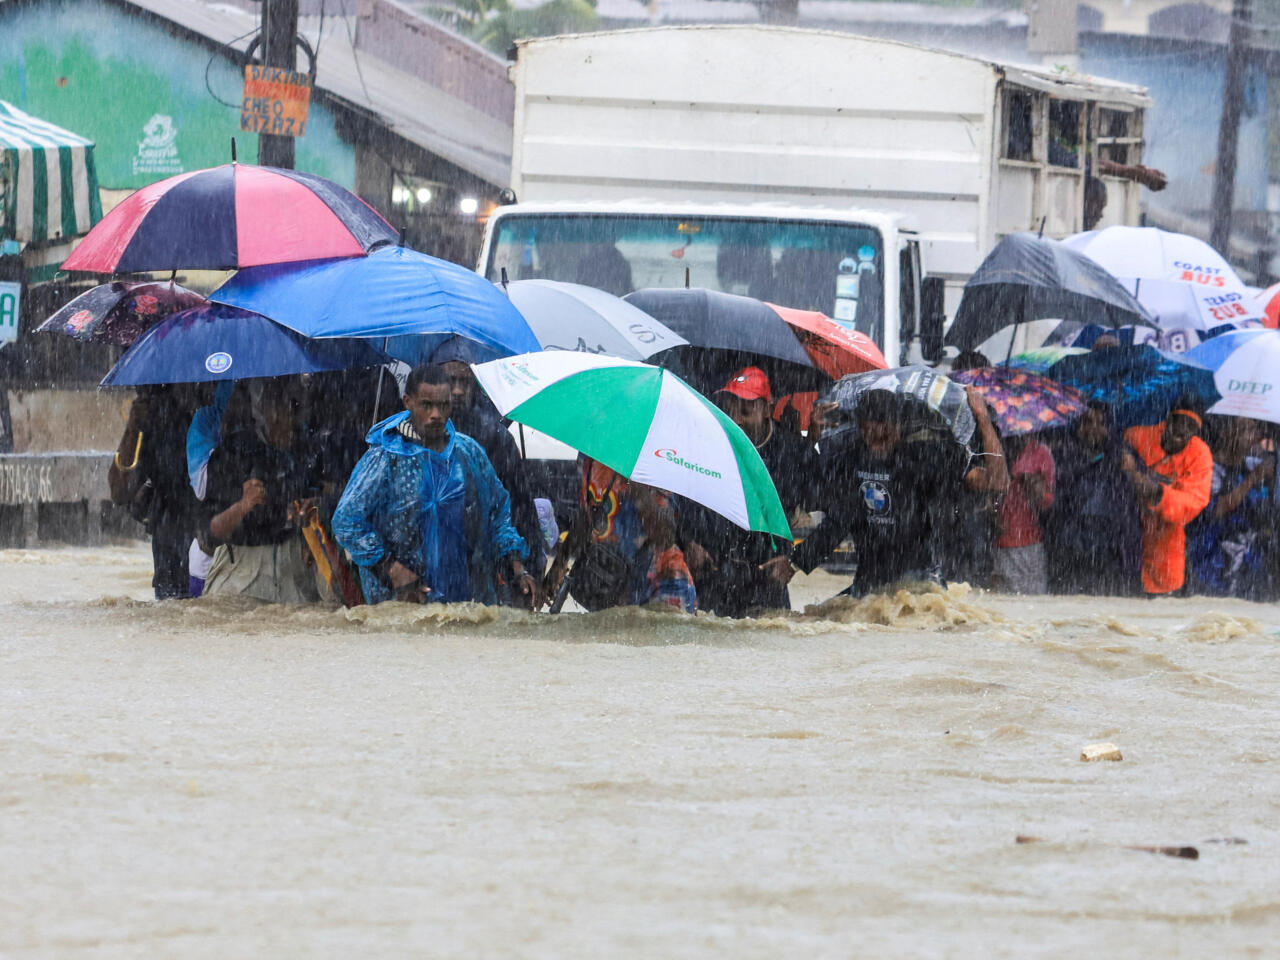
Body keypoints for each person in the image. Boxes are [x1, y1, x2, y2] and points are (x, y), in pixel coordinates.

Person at [763, 386, 1008, 597]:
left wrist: (983, 419)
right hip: (869, 582)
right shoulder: (850, 462)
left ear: (897, 426)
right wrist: (794, 562)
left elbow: (998, 482)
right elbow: (835, 521)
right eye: (867, 432)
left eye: (883, 432)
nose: (875, 440)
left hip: (920, 582)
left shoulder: (926, 459)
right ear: (859, 428)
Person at [332, 364, 535, 606]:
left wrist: (518, 568)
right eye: (427, 405)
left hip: (466, 600)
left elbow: (498, 513)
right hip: (398, 602)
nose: (436, 414)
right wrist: (393, 571)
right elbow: (346, 521)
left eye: (443, 405)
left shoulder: (468, 453)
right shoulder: (385, 459)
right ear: (408, 402)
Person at [683, 367, 817, 616]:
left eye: (745, 409)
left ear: (768, 409)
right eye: (731, 408)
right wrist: (689, 542)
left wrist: (796, 561)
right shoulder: (710, 445)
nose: (738, 419)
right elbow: (685, 498)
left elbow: (838, 512)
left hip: (768, 576)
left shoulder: (793, 452)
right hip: (715, 573)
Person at [433, 341, 548, 598]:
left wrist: (524, 567)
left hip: (482, 555)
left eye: (466, 382)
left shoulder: (492, 436)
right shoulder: (407, 436)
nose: (459, 391)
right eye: (451, 381)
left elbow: (514, 504)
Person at [201, 379, 323, 603]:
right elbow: (210, 534)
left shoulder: (305, 449)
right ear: (263, 412)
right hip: (241, 567)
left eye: (294, 408)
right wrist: (243, 505)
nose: (291, 419)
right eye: (282, 408)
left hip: (293, 564)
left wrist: (310, 511)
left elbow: (320, 497)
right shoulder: (232, 454)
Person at [546, 458, 697, 614]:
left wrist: (635, 485)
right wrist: (559, 565)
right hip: (611, 583)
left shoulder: (656, 460)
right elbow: (586, 514)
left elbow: (665, 538)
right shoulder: (591, 455)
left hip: (663, 587)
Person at [109, 385, 198, 600]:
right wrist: (133, 427)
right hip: (171, 545)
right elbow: (119, 491)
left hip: (215, 541)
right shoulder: (155, 416)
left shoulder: (218, 406)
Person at [1045, 402, 1142, 595]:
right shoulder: (1063, 453)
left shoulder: (1124, 453)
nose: (1094, 429)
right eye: (1087, 422)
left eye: (1101, 423)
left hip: (1115, 549)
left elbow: (1141, 492)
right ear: (1077, 425)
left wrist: (1131, 471)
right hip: (1071, 546)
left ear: (1109, 427)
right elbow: (1054, 499)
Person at [1121, 396, 1213, 596]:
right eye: (1177, 423)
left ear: (1195, 432)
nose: (1180, 432)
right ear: (1167, 421)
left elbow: (1195, 501)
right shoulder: (1137, 436)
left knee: (1161, 603)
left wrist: (1157, 492)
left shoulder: (1200, 454)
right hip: (1127, 529)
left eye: (1189, 428)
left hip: (1165, 541)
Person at [1187, 417, 1277, 600]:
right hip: (1212, 556)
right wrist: (1252, 480)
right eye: (1245, 429)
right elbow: (1216, 510)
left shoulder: (1252, 464)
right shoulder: (1207, 467)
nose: (1255, 436)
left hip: (1248, 559)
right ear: (1225, 432)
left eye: (1255, 430)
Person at [991, 432, 1055, 594]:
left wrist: (1034, 488)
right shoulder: (993, 447)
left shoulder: (1040, 453)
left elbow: (1048, 501)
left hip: (1030, 542)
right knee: (1002, 601)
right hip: (1000, 539)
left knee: (1033, 601)